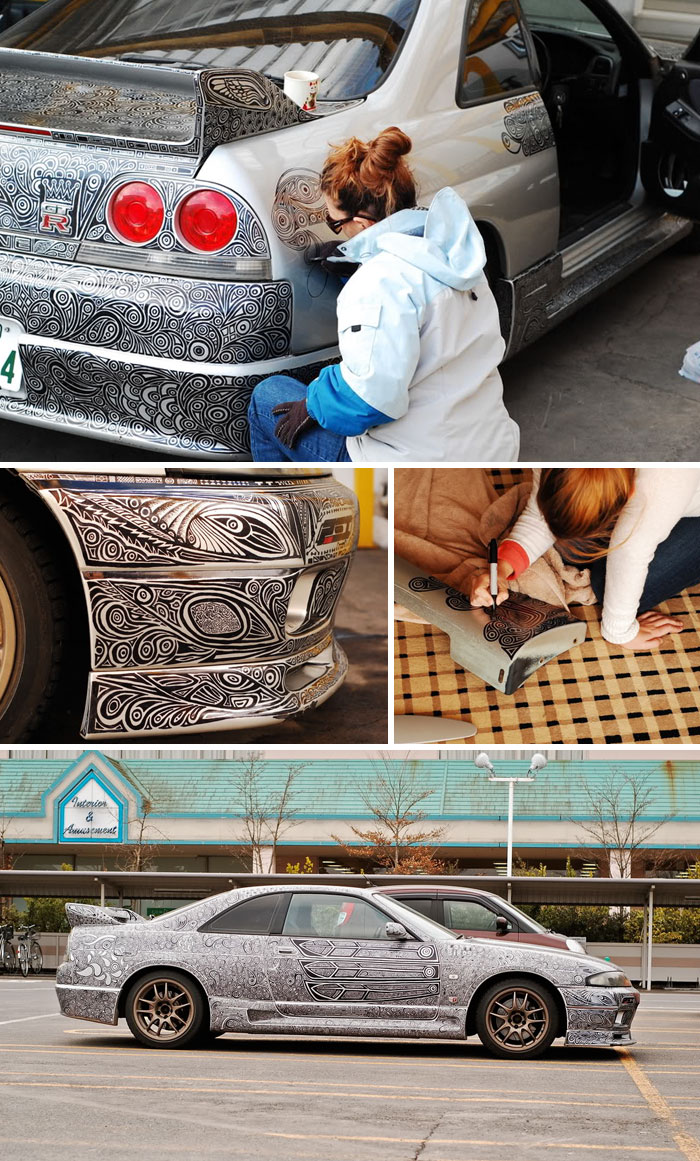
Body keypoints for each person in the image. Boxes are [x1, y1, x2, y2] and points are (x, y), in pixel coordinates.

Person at [247, 126, 519, 462]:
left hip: (410, 465)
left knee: (266, 398)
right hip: (489, 448)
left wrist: (313, 402)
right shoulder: (457, 258)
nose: (337, 232)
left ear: (361, 224)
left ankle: (289, 498)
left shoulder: (378, 285)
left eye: (335, 224)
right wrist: (358, 264)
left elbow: (368, 401)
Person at [469, 468, 700, 651]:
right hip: (649, 494)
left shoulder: (666, 478)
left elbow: (631, 552)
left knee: (606, 583)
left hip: (689, 502)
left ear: (629, 494)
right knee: (569, 547)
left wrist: (620, 631)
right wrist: (501, 568)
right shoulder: (553, 450)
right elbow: (540, 518)